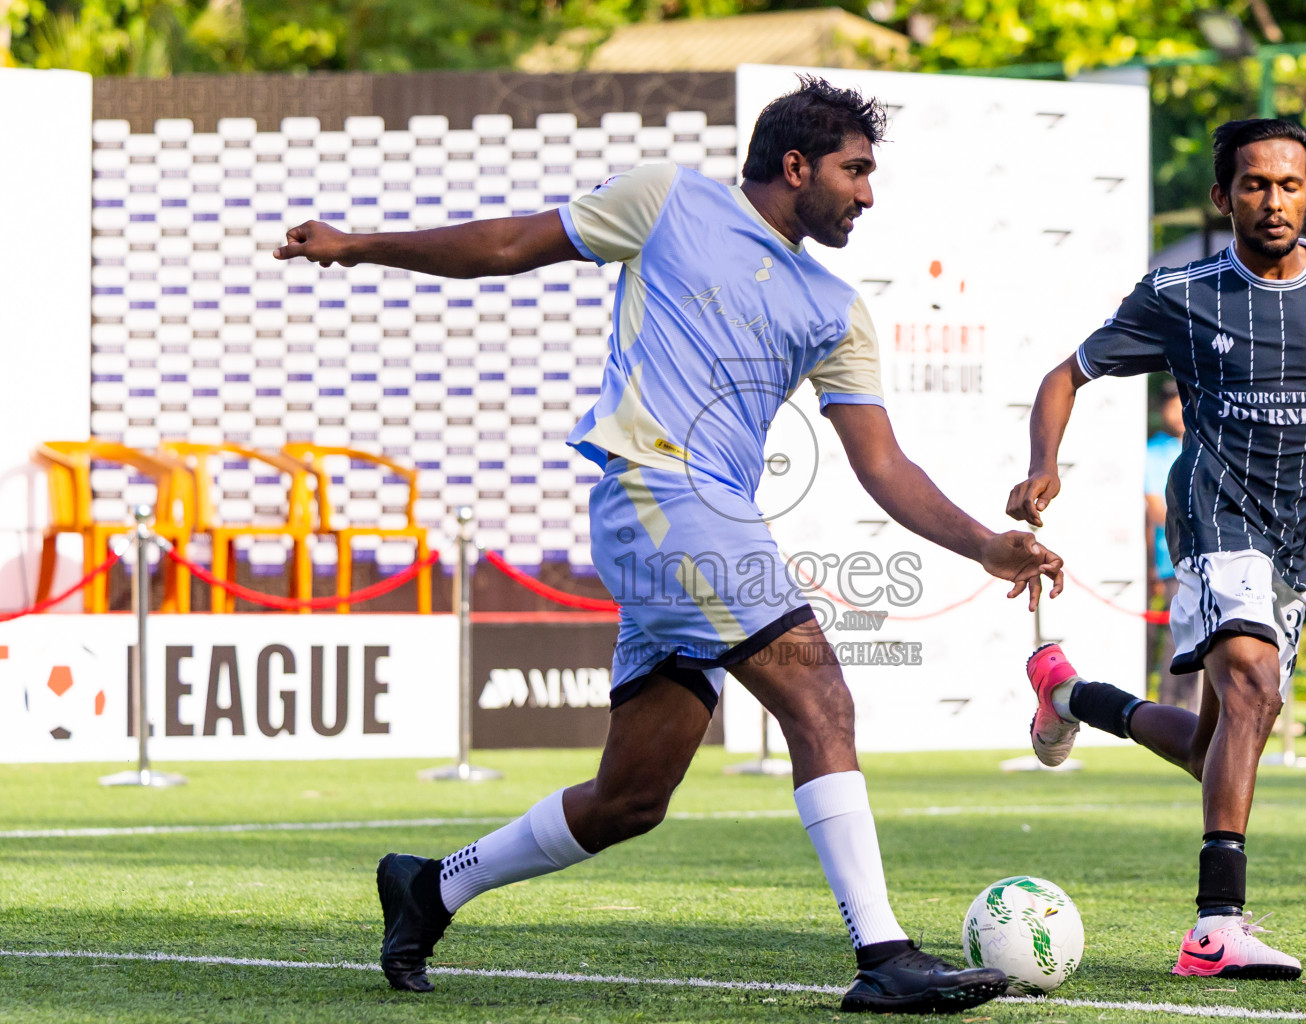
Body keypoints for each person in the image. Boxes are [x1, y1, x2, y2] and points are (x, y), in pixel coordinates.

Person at [276, 77, 1064, 1014]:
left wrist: (984, 544)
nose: (867, 194)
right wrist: (359, 246)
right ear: (796, 164)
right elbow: (505, 246)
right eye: (856, 171)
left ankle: (431, 886)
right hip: (657, 491)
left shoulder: (836, 308)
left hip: (707, 519)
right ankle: (885, 952)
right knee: (820, 695)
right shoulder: (668, 199)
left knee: (629, 799)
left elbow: (882, 466)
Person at [1006, 118, 1306, 980]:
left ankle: (1069, 695)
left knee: (1213, 745)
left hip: (1294, 536)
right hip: (1213, 515)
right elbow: (1063, 374)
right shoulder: (1181, 293)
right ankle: (1215, 926)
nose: (1274, 201)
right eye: (1254, 185)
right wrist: (1044, 466)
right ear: (1223, 196)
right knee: (1255, 685)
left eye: (1290, 184)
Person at [1146, 379, 1200, 710]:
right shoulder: (1154, 451)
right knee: (1175, 642)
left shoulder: (1206, 447)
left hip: (1209, 560)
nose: (1178, 411)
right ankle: (1168, 711)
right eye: (1171, 403)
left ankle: (1195, 713)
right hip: (1172, 562)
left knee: (1202, 641)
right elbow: (1155, 507)